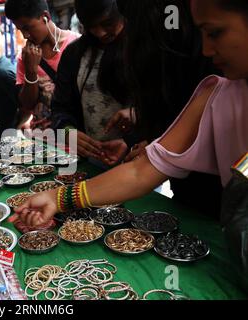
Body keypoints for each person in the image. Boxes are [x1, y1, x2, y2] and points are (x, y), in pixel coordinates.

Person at [12, 0, 248, 262]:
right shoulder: (215, 95)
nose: (205, 49)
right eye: (201, 34)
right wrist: (58, 197)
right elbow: (141, 171)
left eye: (214, 32)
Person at [96, 0, 224, 218]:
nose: (208, 49)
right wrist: (155, 143)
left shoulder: (217, 83)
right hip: (195, 199)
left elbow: (142, 173)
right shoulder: (213, 89)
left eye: (213, 33)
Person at [49, 0, 130, 162]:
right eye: (92, 26)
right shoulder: (73, 54)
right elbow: (60, 107)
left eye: (107, 23)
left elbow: (163, 106)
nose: (100, 33)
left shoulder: (142, 49)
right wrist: (68, 132)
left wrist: (133, 134)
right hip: (90, 161)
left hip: (139, 161)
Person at [4, 0, 80, 130]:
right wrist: (31, 71)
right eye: (20, 30)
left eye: (27, 27)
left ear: (45, 16)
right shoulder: (25, 56)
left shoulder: (76, 45)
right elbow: (27, 105)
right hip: (42, 139)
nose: (25, 35)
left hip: (75, 137)